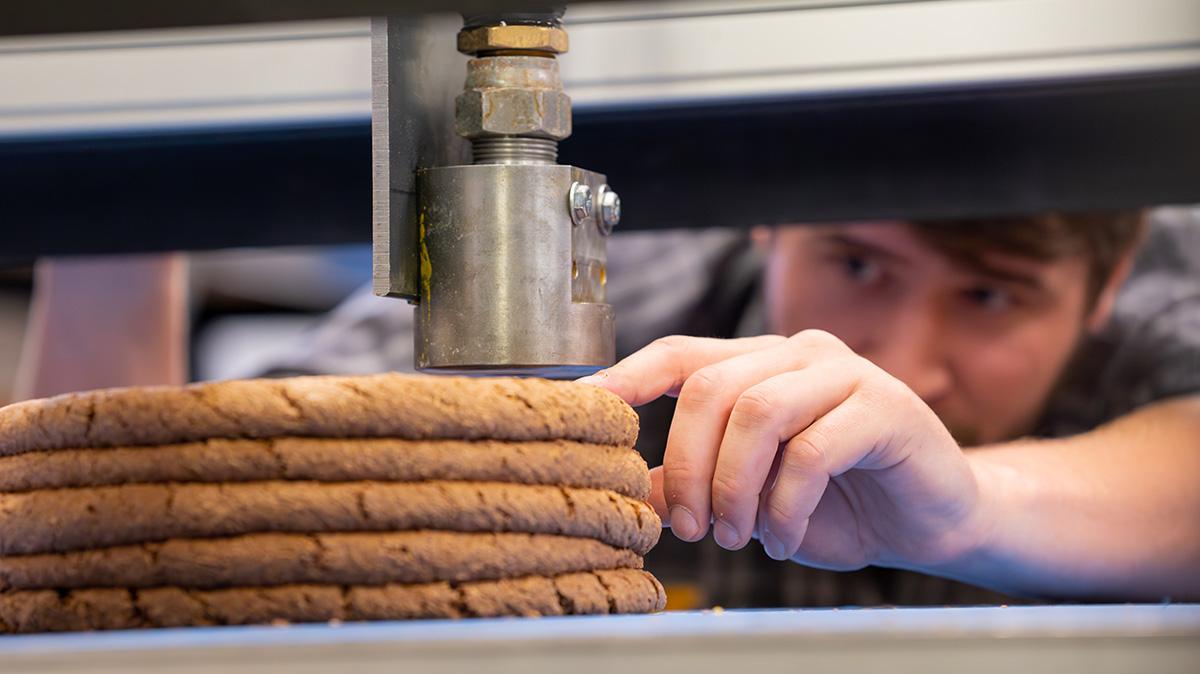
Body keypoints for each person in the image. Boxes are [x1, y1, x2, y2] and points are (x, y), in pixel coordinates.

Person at [15, 208, 1200, 605]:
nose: (896, 354)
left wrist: (962, 508)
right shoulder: (615, 298)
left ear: (1110, 280)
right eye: (856, 264)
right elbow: (197, 495)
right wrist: (119, 237)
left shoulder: (1160, 311)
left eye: (992, 296)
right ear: (769, 217)